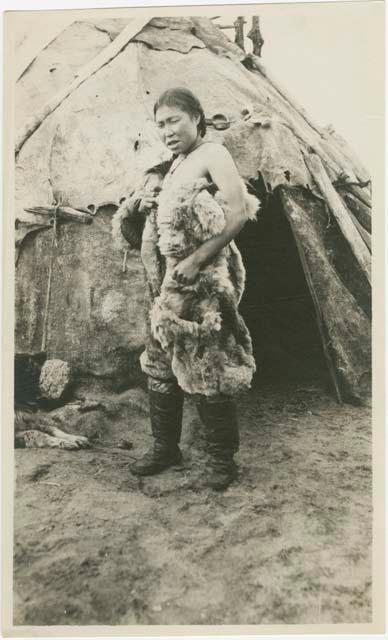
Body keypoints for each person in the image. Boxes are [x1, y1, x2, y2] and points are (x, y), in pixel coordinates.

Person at [112, 87, 259, 490]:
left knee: (208, 368)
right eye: (160, 124)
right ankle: (166, 448)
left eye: (174, 120)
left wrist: (196, 261)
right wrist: (144, 207)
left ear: (197, 117)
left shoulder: (214, 155)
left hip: (201, 285)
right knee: (159, 364)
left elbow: (239, 212)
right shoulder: (173, 165)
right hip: (167, 288)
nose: (167, 130)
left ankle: (221, 460)